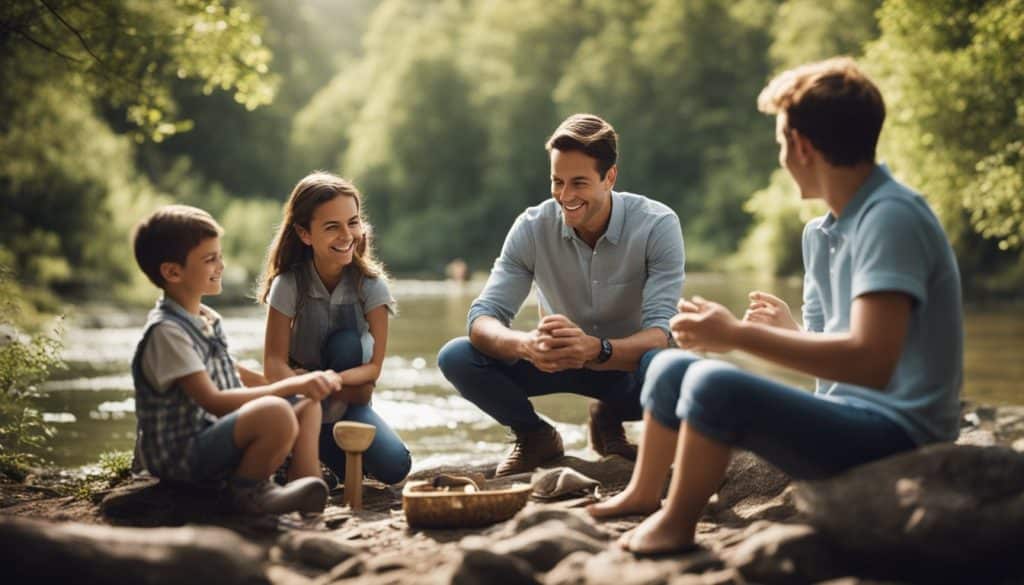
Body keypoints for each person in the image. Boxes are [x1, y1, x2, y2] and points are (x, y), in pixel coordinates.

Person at [587, 57, 964, 556]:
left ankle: (677, 523)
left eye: (782, 143)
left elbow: (872, 362)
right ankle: (641, 493)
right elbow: (843, 355)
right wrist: (787, 331)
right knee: (671, 366)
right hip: (847, 412)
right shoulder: (823, 230)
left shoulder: (889, 218)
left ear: (802, 147)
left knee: (712, 383)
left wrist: (737, 337)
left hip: (901, 434)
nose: (782, 156)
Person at [437, 113, 686, 477]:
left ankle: (608, 412)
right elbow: (483, 317)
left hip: (624, 366)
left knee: (672, 368)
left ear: (610, 177)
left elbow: (662, 333)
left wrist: (597, 349)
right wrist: (526, 345)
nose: (565, 196)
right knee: (458, 356)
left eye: (579, 183)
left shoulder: (658, 225)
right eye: (557, 182)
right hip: (554, 362)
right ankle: (534, 434)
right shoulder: (531, 227)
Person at [131, 205, 335, 515]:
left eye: (219, 256)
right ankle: (249, 495)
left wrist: (292, 385)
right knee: (276, 412)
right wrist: (286, 388)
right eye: (210, 259)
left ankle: (306, 486)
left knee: (306, 402)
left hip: (213, 435)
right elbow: (214, 400)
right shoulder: (167, 332)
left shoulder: (206, 318)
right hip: (184, 455)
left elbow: (226, 369)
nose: (221, 266)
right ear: (173, 272)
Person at [259, 171, 411, 486]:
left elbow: (372, 370)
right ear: (304, 234)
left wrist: (325, 380)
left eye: (353, 222)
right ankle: (306, 453)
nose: (347, 235)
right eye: (332, 227)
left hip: (348, 404)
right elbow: (273, 365)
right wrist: (304, 385)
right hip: (300, 403)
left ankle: (322, 456)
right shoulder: (287, 285)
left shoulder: (372, 286)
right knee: (344, 346)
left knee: (396, 466)